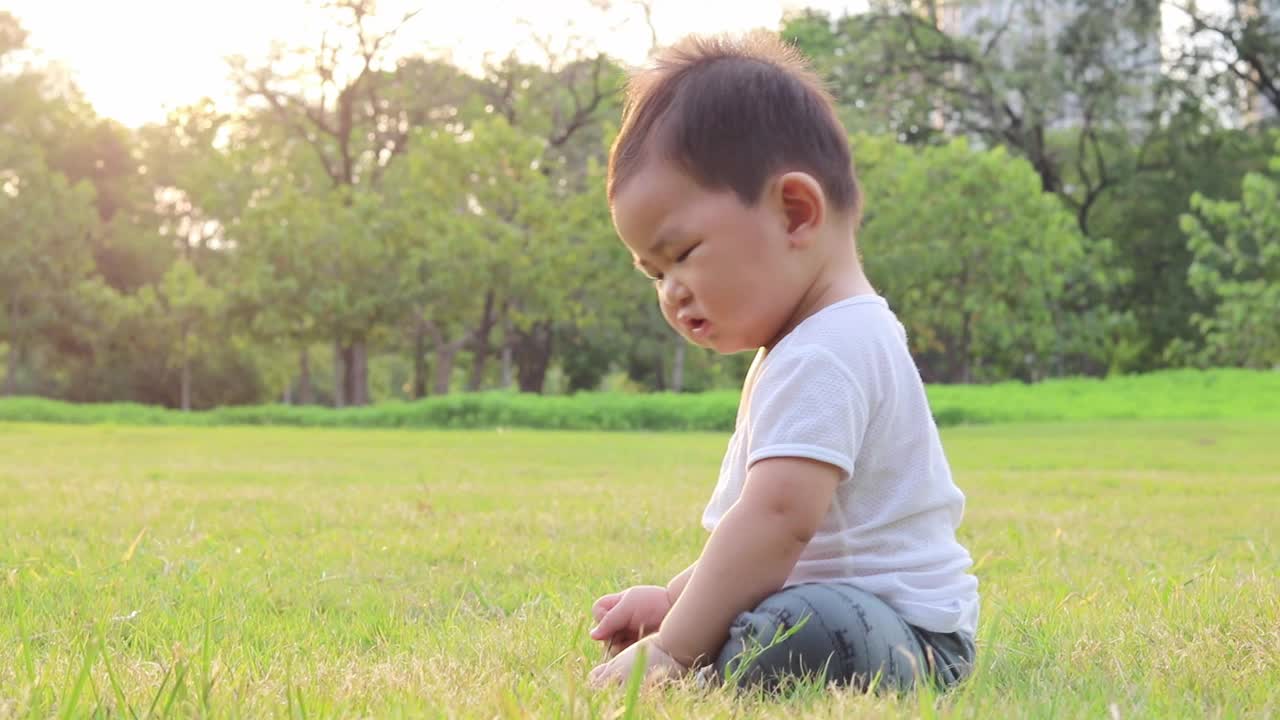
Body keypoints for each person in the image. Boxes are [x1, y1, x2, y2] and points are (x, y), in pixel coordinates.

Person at [586, 31, 980, 692]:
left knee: (797, 630)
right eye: (653, 274)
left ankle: (720, 660)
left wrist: (671, 648)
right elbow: (765, 546)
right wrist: (675, 601)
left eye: (681, 254)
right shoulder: (812, 341)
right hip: (861, 616)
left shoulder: (829, 349)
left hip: (905, 639)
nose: (671, 292)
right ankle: (728, 648)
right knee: (780, 620)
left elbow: (776, 523)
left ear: (795, 213)